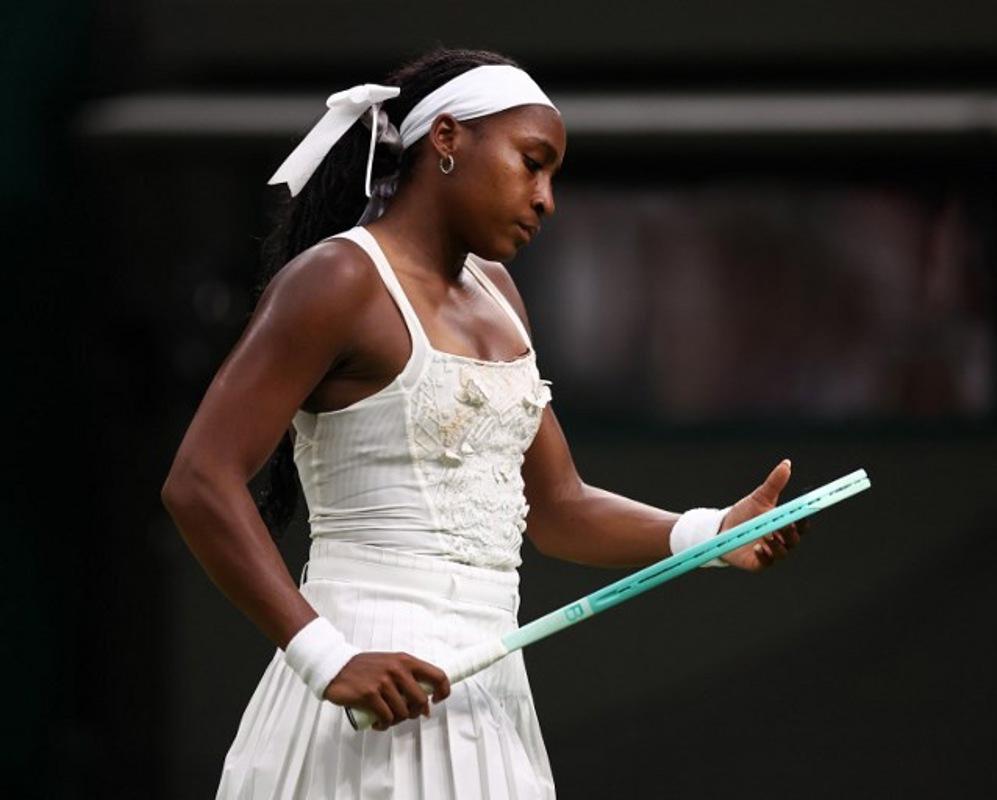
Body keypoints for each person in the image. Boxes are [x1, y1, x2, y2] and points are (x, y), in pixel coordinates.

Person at [160, 46, 806, 799]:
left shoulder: (499, 295)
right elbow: (200, 481)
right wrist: (326, 656)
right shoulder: (338, 279)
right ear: (445, 140)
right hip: (362, 686)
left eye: (553, 174)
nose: (546, 198)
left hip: (488, 695)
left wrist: (711, 534)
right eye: (532, 163)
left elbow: (558, 507)